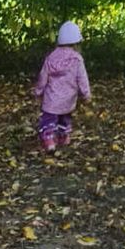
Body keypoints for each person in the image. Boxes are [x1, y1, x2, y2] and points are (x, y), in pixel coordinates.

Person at [32, 21, 91, 152]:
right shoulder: (77, 59)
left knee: (48, 119)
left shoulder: (51, 57)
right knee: (64, 118)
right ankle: (63, 136)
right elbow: (82, 78)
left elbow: (43, 76)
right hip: (68, 99)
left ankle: (49, 139)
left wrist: (38, 91)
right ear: (76, 42)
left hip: (51, 99)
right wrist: (86, 94)